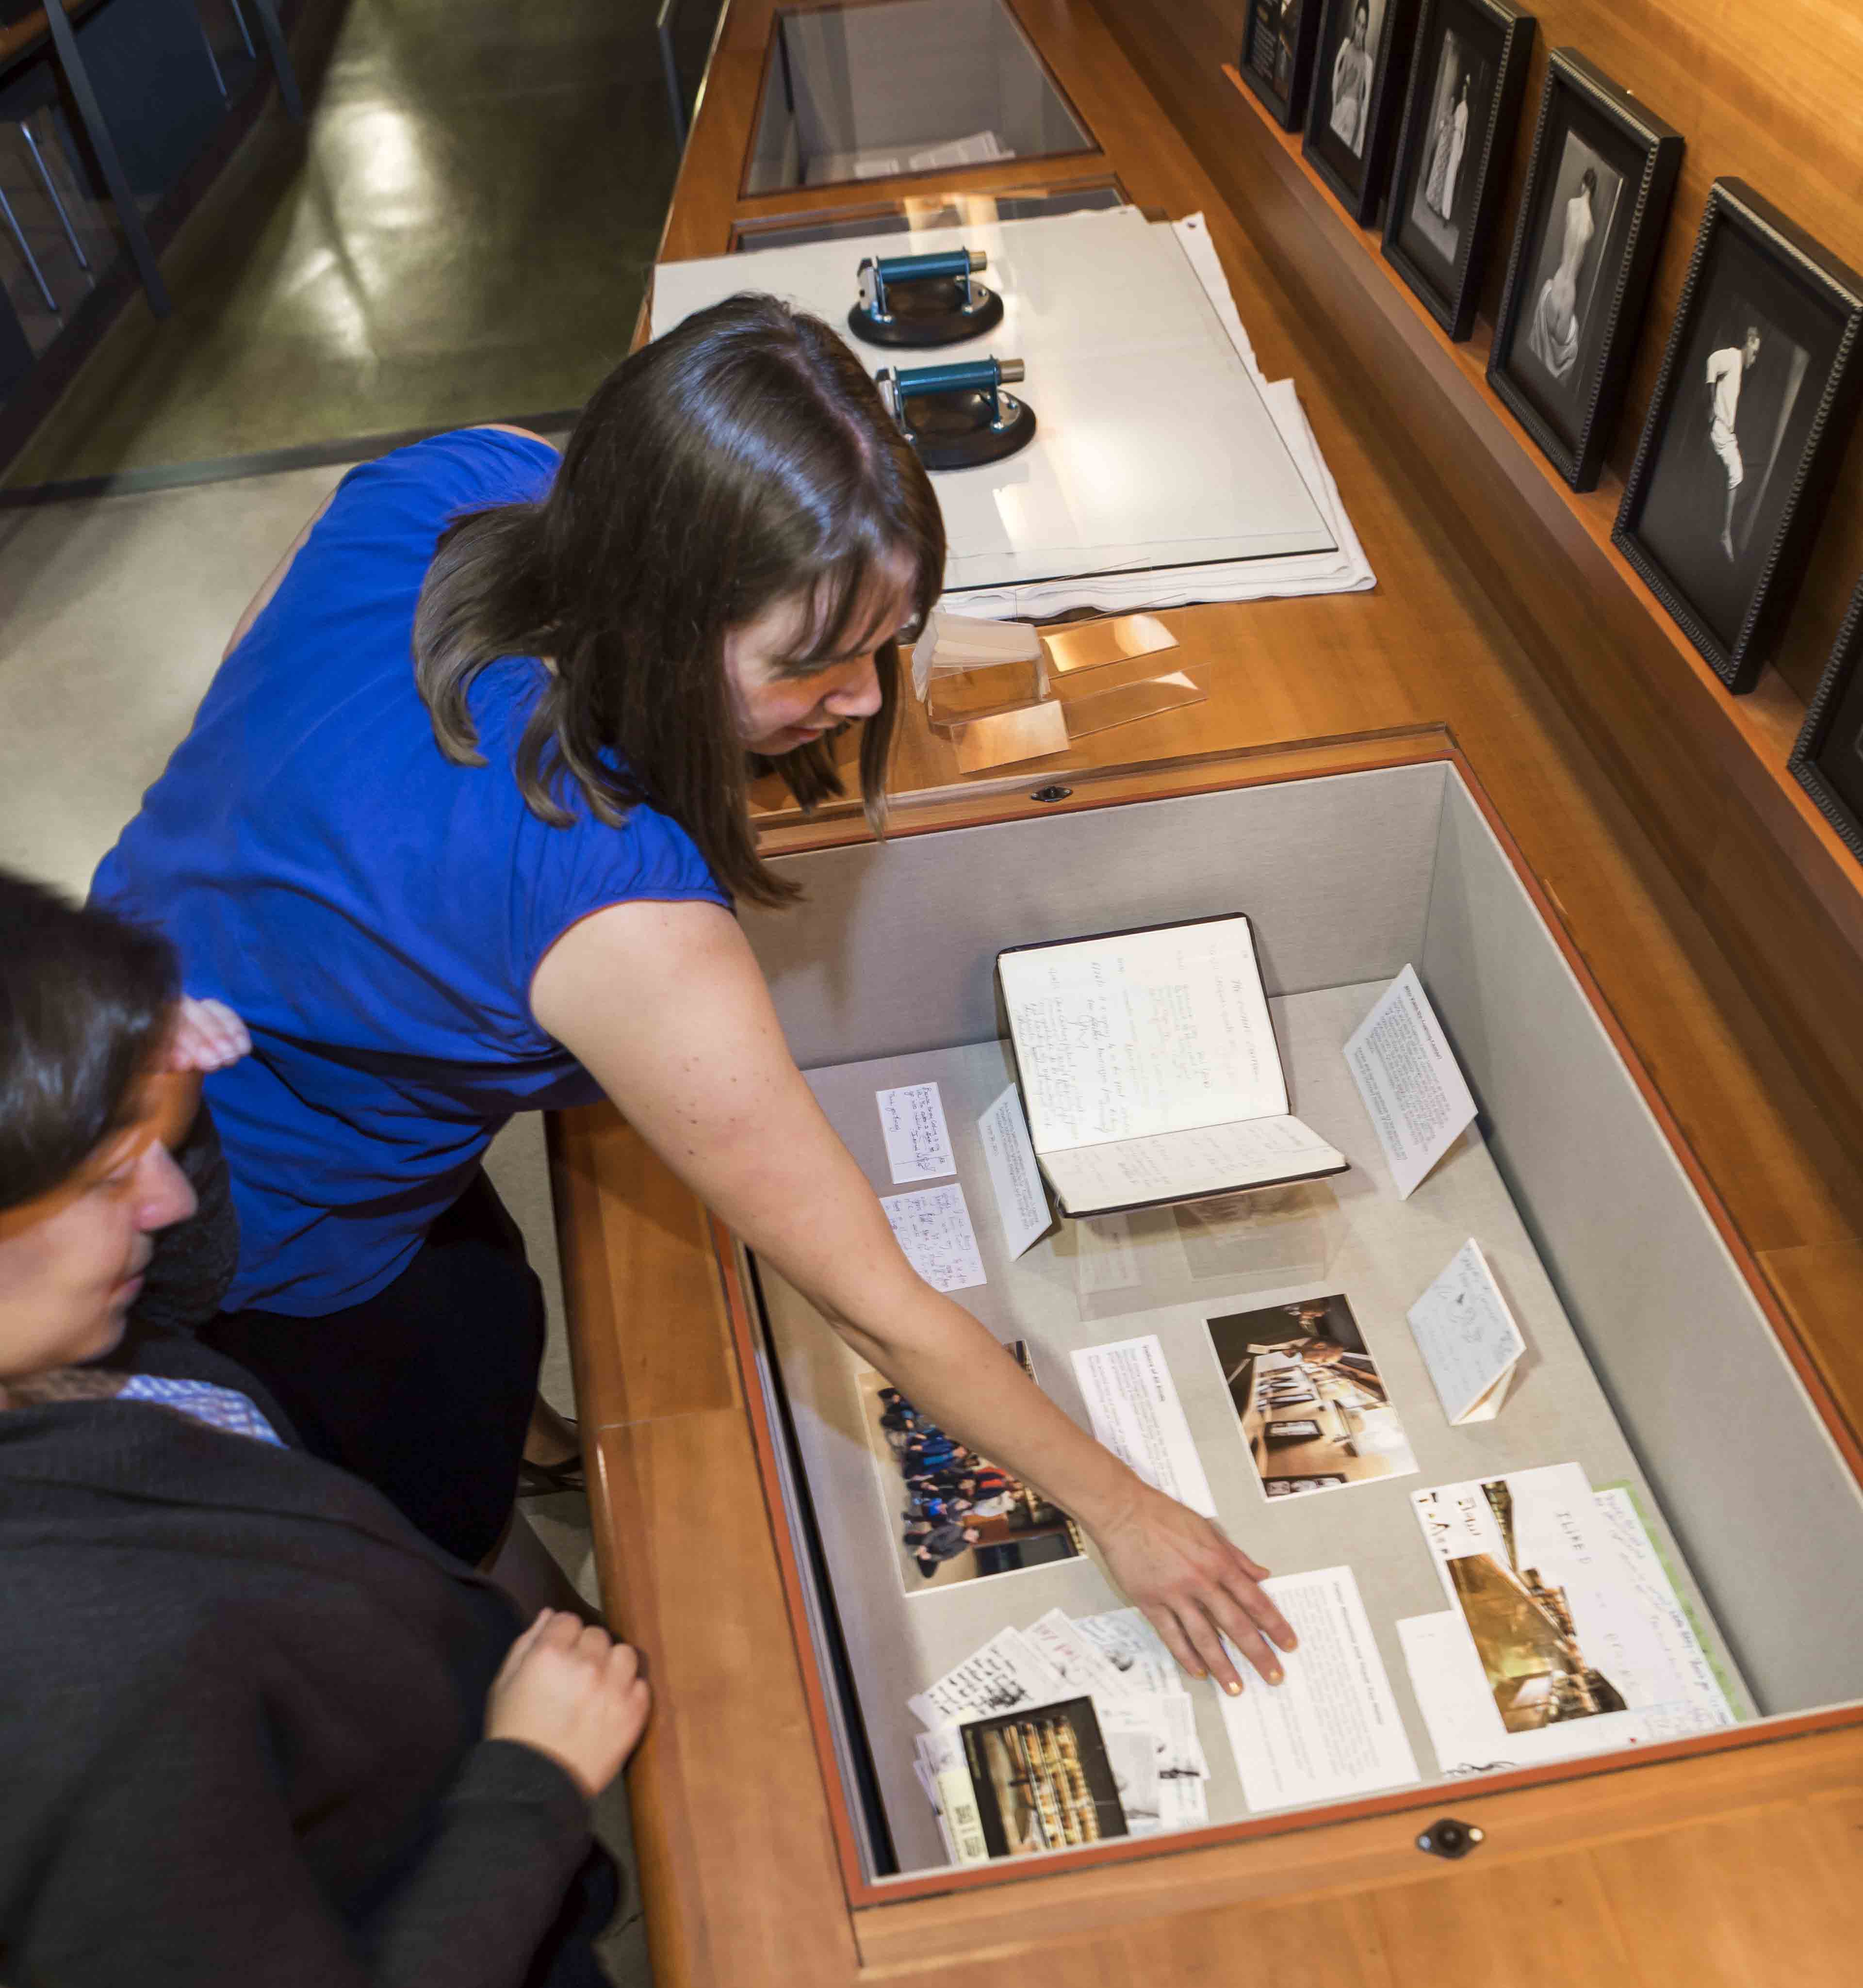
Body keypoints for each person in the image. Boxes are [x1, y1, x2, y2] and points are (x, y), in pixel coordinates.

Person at [94, 296, 1295, 1697]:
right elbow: (878, 1305)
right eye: (814, 661)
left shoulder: (467, 472)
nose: (860, 700)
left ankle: (531, 1451)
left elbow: (250, 669)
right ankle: (538, 1656)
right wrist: (1128, 1510)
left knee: (479, 1307)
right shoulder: (614, 908)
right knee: (429, 1488)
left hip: (140, 999)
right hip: (262, 1219)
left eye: (888, 637)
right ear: (665, 615)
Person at [0, 870, 670, 1988]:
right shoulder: (68, 1701)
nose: (169, 1193)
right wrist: (531, 1782)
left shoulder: (50, 1359)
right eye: (115, 1176)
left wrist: (159, 1115)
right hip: (407, 1943)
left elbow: (178, 1301)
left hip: (337, 1795)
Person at [1526, 163, 1597, 384]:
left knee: (1542, 348)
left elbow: (1566, 242)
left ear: (1583, 184)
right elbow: (1582, 259)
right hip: (1571, 291)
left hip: (1559, 279)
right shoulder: (1591, 224)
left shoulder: (1572, 205)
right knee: (1556, 353)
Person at [1705, 325, 1762, 562]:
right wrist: (1710, 407)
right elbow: (1711, 361)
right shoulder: (1731, 356)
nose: (1755, 358)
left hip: (1727, 432)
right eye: (1755, 352)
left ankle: (1725, 532)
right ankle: (1726, 534)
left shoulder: (1739, 367)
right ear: (1748, 341)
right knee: (1737, 473)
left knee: (1737, 475)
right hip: (1719, 428)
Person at [1423, 68, 1470, 228]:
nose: (1464, 92)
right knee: (1442, 171)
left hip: (1455, 141)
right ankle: (1436, 201)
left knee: (1450, 178)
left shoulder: (1466, 110)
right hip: (1449, 139)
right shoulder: (1457, 106)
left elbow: (1462, 133)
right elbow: (1447, 121)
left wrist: (1459, 154)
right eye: (1463, 88)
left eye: (1466, 89)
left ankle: (1446, 213)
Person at [1330, 0, 1373, 154]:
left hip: (1353, 119)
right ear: (1354, 21)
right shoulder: (1346, 49)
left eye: (1364, 26)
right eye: (1359, 23)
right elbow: (1337, 93)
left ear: (1366, 29)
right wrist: (1347, 83)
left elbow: (1364, 105)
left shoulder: (1367, 62)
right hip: (1340, 113)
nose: (1360, 30)